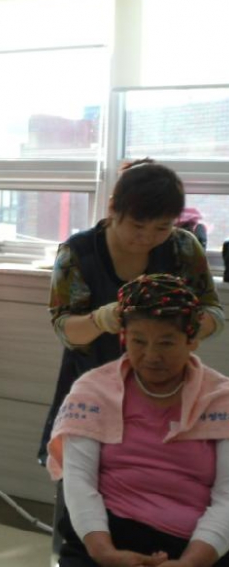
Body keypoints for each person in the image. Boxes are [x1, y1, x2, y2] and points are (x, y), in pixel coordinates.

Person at [39, 159, 224, 463]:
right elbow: (65, 328)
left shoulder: (183, 248)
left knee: (160, 470)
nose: (147, 237)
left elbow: (214, 312)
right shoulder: (78, 253)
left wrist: (182, 325)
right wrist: (101, 319)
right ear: (113, 208)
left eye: (162, 227)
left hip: (166, 386)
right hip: (95, 384)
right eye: (137, 226)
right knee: (83, 473)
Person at [47, 274, 229, 567]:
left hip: (199, 544)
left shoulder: (221, 399)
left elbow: (227, 498)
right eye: (138, 341)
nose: (152, 356)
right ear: (124, 338)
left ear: (192, 339)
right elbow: (80, 483)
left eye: (167, 343)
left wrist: (191, 562)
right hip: (106, 533)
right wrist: (104, 553)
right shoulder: (94, 392)